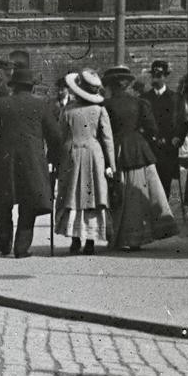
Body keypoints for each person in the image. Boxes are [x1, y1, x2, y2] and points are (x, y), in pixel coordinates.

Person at [0, 63, 64, 258]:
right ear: (32, 87)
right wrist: (52, 157)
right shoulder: (41, 105)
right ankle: (21, 248)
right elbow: (56, 136)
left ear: (13, 85)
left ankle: (3, 244)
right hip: (32, 162)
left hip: (4, 161)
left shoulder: (1, 104)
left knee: (3, 204)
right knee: (29, 204)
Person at [102, 64, 176, 250]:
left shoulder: (106, 105)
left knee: (119, 193)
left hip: (116, 149)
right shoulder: (140, 103)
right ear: (127, 84)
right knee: (138, 194)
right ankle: (136, 237)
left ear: (111, 85)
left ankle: (119, 236)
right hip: (138, 150)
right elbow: (152, 129)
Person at [56, 69, 113, 254]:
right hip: (94, 156)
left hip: (72, 153)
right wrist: (111, 164)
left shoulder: (68, 110)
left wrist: (56, 159)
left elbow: (60, 136)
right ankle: (90, 240)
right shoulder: (99, 110)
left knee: (73, 195)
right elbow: (107, 139)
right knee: (92, 195)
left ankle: (75, 239)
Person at [139, 59, 182, 216]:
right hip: (150, 146)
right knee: (148, 180)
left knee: (165, 180)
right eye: (154, 75)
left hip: (168, 148)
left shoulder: (175, 98)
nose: (156, 78)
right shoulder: (145, 98)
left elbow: (182, 123)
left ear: (165, 77)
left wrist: (177, 138)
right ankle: (150, 213)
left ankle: (164, 214)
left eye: (160, 75)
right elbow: (140, 122)